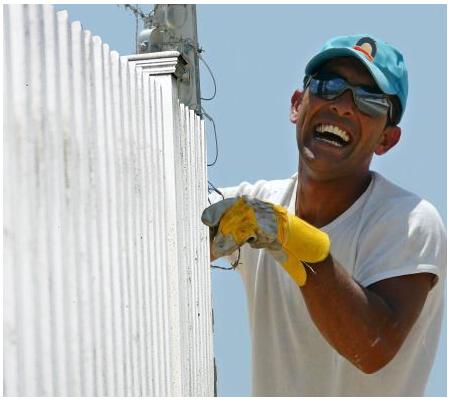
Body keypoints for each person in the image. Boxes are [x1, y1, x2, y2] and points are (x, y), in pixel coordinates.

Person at [201, 34, 446, 396]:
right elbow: (157, 229)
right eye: (330, 86)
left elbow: (371, 347)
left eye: (370, 101)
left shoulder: (409, 222)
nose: (345, 106)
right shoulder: (256, 204)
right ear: (297, 105)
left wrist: (294, 241)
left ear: (386, 140)